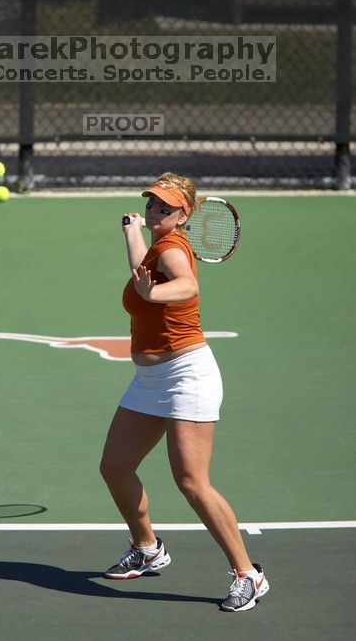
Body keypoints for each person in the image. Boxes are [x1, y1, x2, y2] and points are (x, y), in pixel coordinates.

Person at [100, 172, 269, 612]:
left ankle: (248, 574)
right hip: (150, 380)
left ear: (184, 214)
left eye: (165, 208)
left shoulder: (174, 249)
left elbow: (187, 286)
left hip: (187, 374)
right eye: (152, 203)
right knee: (115, 467)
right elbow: (141, 270)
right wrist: (132, 231)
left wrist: (153, 293)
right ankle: (148, 547)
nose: (156, 211)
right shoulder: (156, 242)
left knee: (192, 481)